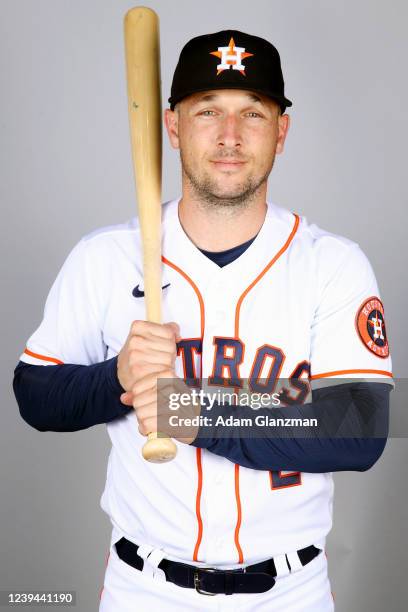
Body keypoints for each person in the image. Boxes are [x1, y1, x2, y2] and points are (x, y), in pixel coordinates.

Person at [13, 30, 393, 611]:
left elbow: (362, 428)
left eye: (253, 113)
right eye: (207, 111)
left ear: (281, 132)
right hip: (144, 587)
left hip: (288, 592)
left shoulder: (332, 264)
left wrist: (196, 411)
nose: (230, 136)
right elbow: (35, 396)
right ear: (172, 127)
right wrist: (116, 377)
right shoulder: (105, 256)